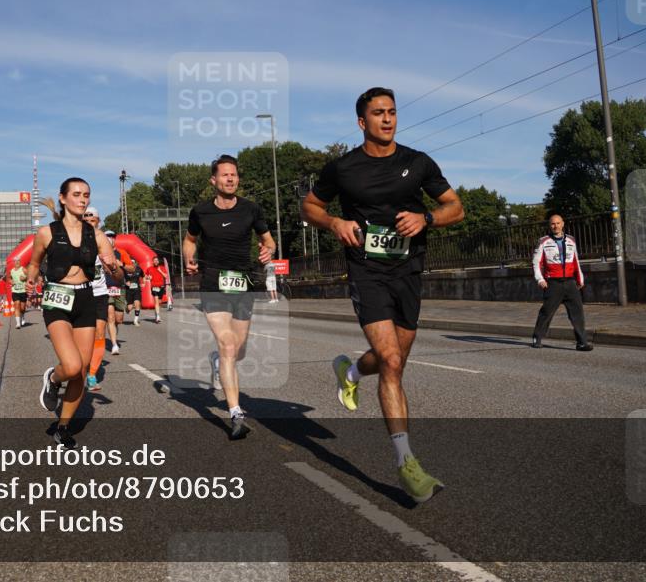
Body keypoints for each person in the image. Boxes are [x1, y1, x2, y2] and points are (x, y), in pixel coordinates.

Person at [301, 87, 465, 503]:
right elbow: (310, 207)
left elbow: (455, 207)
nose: (388, 119)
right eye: (378, 113)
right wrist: (335, 222)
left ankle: (351, 372)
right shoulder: (343, 168)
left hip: (408, 270)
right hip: (366, 270)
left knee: (395, 359)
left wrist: (426, 217)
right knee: (391, 360)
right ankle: (406, 462)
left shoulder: (417, 162)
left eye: (392, 112)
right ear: (362, 122)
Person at [184, 154, 276, 441]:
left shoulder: (251, 209)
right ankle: (236, 412)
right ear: (214, 180)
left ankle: (218, 361)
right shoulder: (200, 211)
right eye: (224, 175)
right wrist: (189, 258)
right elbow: (190, 239)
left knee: (239, 350)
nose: (230, 179)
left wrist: (268, 249)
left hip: (243, 282)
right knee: (227, 345)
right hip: (212, 281)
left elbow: (268, 239)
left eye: (234, 175)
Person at [29, 179, 122, 448]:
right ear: (63, 198)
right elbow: (34, 263)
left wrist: (112, 265)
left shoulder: (97, 235)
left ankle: (63, 427)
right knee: (70, 366)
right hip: (57, 298)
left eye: (87, 196)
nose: (82, 200)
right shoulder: (47, 233)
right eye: (77, 195)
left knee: (80, 371)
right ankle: (53, 378)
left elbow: (116, 274)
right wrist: (32, 280)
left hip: (85, 298)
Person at [530, 213, 592, 351]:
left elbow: (576, 261)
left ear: (563, 224)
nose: (555, 226)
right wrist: (540, 279)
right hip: (553, 283)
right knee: (547, 312)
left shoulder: (571, 240)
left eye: (558, 223)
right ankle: (537, 338)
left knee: (577, 313)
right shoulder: (543, 241)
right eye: (552, 223)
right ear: (549, 225)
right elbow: (536, 262)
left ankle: (582, 342)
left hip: (570, 282)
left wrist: (580, 278)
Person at [82, 207, 114, 390]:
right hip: (81, 293)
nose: (87, 219)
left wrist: (112, 266)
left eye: (91, 217)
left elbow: (116, 269)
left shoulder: (105, 241)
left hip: (100, 293)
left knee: (100, 333)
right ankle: (80, 367)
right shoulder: (75, 239)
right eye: (85, 217)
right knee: (83, 336)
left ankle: (92, 375)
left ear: (98, 220)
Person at [103, 231, 130, 356]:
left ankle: (113, 331)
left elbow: (132, 268)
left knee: (118, 319)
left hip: (119, 288)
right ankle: (114, 344)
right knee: (111, 317)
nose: (110, 239)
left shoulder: (121, 252)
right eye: (107, 237)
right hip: (106, 288)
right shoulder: (100, 253)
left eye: (112, 237)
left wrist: (122, 265)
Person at [147, 256, 168, 323]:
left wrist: (160, 271)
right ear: (153, 261)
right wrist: (148, 277)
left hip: (161, 287)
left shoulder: (162, 267)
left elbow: (165, 276)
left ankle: (156, 314)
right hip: (154, 287)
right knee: (156, 301)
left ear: (158, 261)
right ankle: (158, 317)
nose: (156, 261)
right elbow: (146, 277)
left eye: (157, 260)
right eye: (154, 260)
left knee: (159, 303)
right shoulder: (149, 269)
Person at [123, 258, 144, 326]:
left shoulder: (139, 269)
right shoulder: (125, 269)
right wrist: (125, 282)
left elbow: (143, 276)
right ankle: (127, 309)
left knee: (137, 304)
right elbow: (120, 277)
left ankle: (135, 320)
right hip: (128, 290)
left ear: (135, 263)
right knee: (129, 307)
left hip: (136, 289)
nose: (132, 264)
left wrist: (143, 282)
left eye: (133, 263)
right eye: (131, 263)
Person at [9, 259, 30, 328]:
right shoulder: (11, 271)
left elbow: (30, 277)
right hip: (15, 291)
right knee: (17, 305)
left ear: (20, 262)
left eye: (18, 261)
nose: (17, 262)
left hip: (23, 291)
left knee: (22, 308)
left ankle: (23, 316)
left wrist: (25, 278)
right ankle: (18, 323)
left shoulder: (23, 269)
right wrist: (11, 281)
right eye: (15, 261)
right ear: (14, 263)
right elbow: (9, 278)